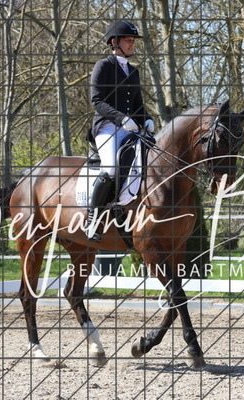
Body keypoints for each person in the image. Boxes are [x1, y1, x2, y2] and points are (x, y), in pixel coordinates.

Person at [85, 20, 154, 241]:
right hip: (107, 127)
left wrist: (147, 119)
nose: (132, 44)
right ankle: (92, 220)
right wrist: (121, 118)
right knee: (112, 168)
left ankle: (129, 212)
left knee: (150, 162)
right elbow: (97, 101)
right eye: (128, 40)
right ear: (114, 42)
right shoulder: (103, 66)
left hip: (130, 128)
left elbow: (137, 105)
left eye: (133, 41)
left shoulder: (133, 71)